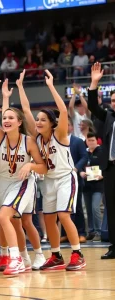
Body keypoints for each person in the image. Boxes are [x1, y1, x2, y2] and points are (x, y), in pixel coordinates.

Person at [0, 73, 47, 276]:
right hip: (4, 182)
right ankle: (24, 258)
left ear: (19, 122)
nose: (6, 120)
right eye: (4, 117)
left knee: (8, 217)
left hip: (24, 182)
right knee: (12, 220)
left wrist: (31, 166)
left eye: (10, 118)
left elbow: (43, 167)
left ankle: (16, 257)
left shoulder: (29, 141)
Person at [17, 69, 86, 271]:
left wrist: (50, 86)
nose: (37, 122)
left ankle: (77, 253)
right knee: (49, 218)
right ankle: (56, 256)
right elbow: (26, 109)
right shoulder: (37, 137)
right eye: (37, 120)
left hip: (65, 178)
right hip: (47, 181)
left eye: (42, 120)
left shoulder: (61, 134)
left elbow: (63, 112)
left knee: (64, 216)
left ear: (52, 123)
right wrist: (20, 87)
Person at [87, 62, 115, 259]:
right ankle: (114, 245)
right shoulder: (108, 117)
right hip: (111, 168)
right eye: (113, 100)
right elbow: (92, 106)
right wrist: (94, 83)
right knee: (112, 208)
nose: (114, 102)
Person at [81, 132, 103, 242]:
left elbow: (105, 166)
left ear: (97, 141)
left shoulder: (101, 151)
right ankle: (91, 231)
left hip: (98, 185)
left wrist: (102, 175)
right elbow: (80, 164)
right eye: (88, 140)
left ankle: (99, 231)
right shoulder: (85, 153)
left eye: (92, 140)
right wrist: (81, 172)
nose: (90, 142)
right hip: (86, 185)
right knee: (88, 209)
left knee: (95, 208)